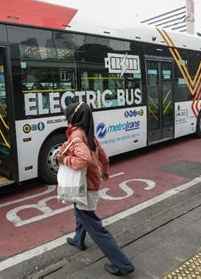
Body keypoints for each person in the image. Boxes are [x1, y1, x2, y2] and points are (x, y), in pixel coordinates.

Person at [57, 102, 135, 276]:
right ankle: (79, 239)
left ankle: (123, 264)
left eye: (67, 115)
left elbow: (84, 160)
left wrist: (64, 160)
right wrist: (105, 172)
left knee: (97, 229)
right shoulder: (88, 133)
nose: (66, 118)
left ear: (73, 117)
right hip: (91, 185)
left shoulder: (76, 136)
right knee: (79, 210)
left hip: (85, 188)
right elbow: (103, 156)